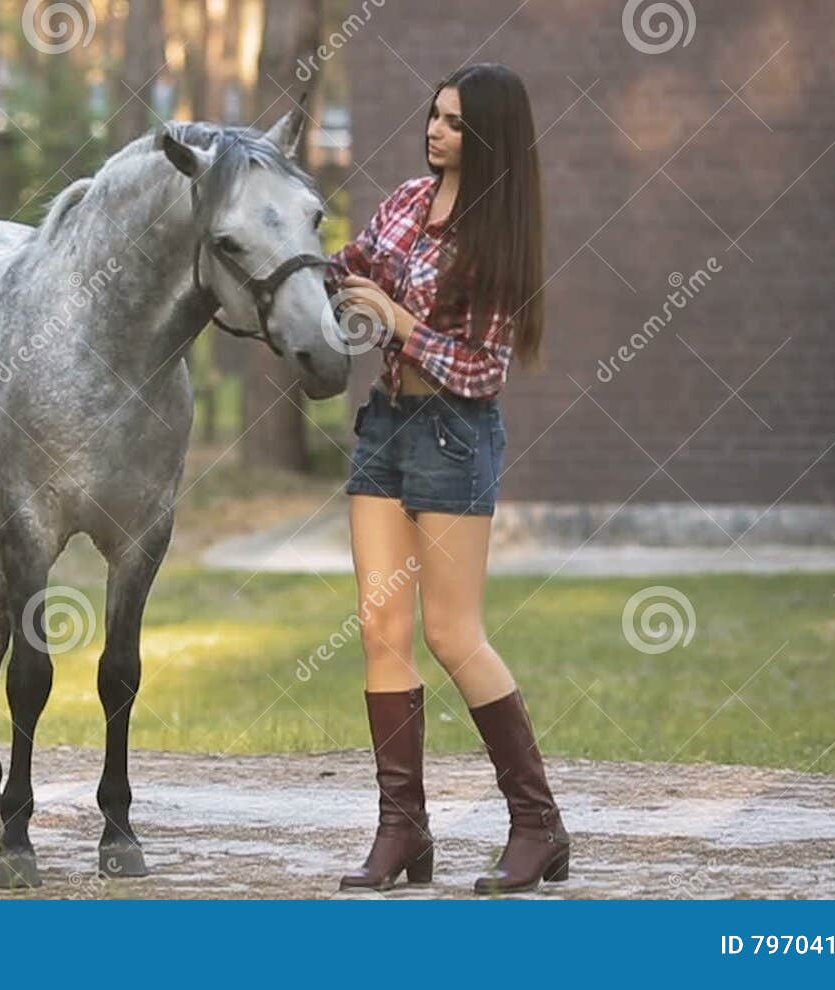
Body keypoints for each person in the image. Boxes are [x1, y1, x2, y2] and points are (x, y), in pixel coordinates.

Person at [324, 63, 567, 894]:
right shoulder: (400, 201)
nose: (436, 131)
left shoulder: (499, 234)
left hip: (455, 435)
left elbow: (480, 369)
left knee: (453, 635)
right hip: (385, 427)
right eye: (435, 116)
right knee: (380, 629)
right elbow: (343, 264)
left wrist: (397, 320)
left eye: (456, 123)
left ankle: (538, 825)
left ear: (490, 134)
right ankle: (403, 832)